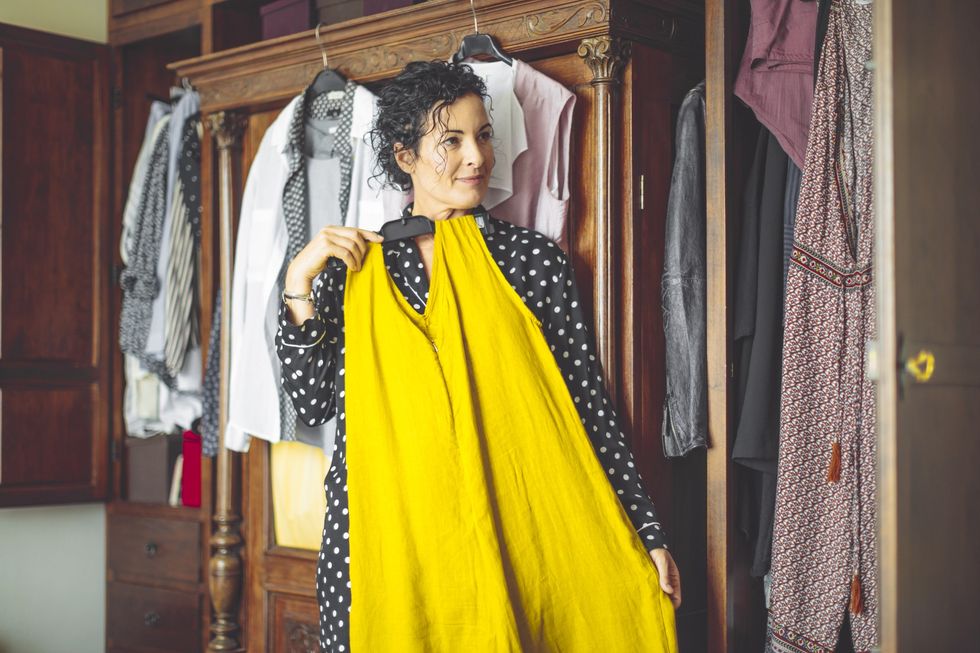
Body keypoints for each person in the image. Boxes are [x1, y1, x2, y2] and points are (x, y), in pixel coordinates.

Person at [277, 60, 681, 652]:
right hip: (385, 542)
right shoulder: (352, 272)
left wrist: (647, 532)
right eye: (452, 140)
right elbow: (312, 404)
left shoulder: (530, 262)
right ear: (403, 155)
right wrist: (298, 282)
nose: (477, 157)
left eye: (484, 135)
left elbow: (587, 408)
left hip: (509, 530)